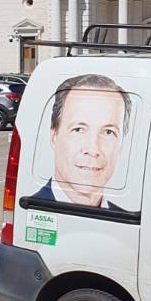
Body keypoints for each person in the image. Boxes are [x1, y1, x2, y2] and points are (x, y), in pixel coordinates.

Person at [30, 74, 130, 209]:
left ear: (121, 143)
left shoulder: (127, 225)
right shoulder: (30, 211)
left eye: (108, 132)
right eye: (78, 130)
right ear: (54, 135)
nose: (93, 149)